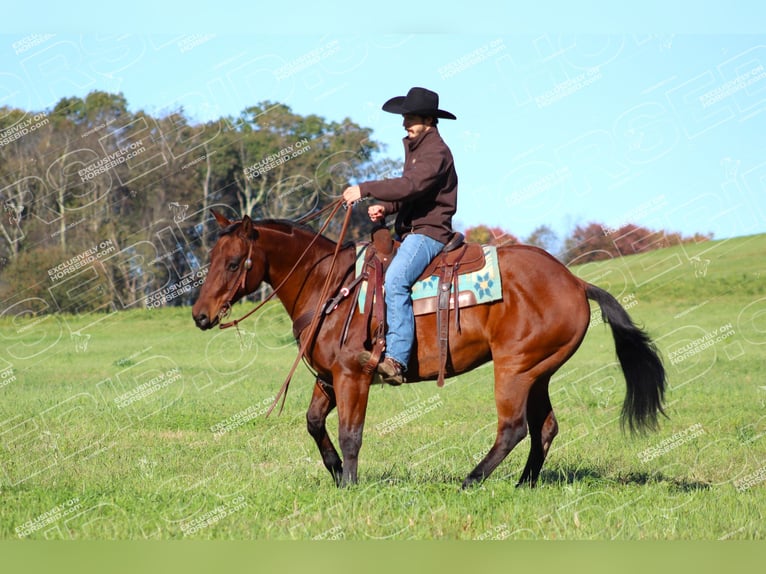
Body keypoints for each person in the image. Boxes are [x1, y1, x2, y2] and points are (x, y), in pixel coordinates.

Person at [342, 86, 458, 385]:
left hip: (428, 234)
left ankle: (396, 359)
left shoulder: (436, 151)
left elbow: (411, 186)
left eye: (412, 118)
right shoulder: (419, 149)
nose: (405, 123)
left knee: (395, 280)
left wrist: (366, 189)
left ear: (429, 121)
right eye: (405, 117)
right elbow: (411, 193)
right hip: (411, 232)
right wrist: (387, 207)